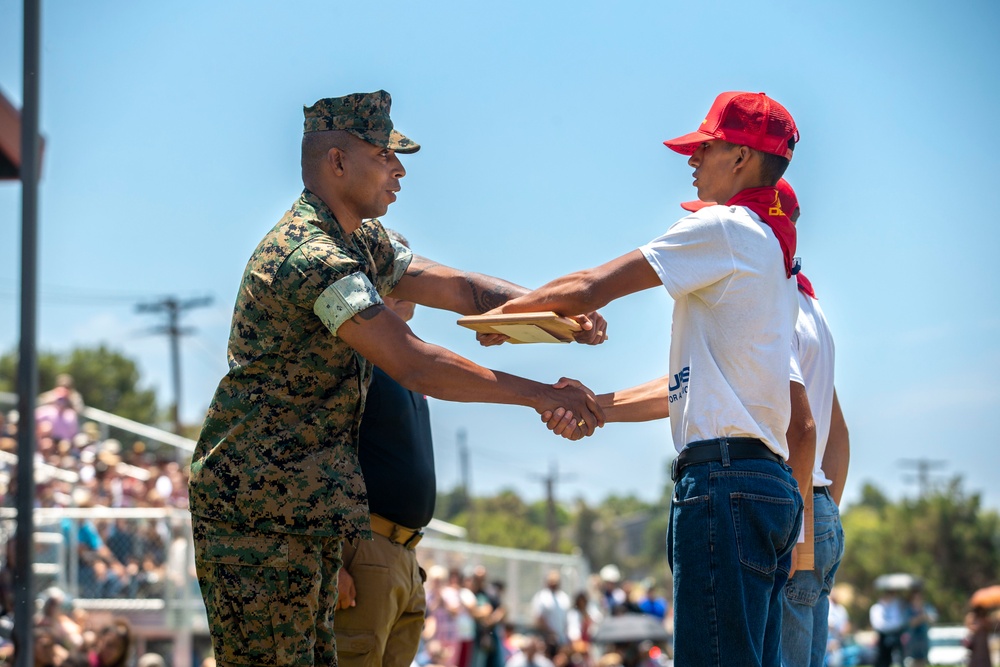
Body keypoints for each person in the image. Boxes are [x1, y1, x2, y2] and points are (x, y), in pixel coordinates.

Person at [187, 90, 607, 666]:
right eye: (384, 154)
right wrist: (540, 395)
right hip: (258, 517)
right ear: (337, 162)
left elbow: (454, 286)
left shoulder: (357, 242)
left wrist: (549, 310)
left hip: (303, 516)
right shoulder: (310, 254)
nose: (399, 168)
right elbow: (412, 361)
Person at [498, 91, 803, 666]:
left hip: (724, 481)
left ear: (740, 156)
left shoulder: (727, 228)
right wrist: (599, 406)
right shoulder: (768, 252)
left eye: (705, 147)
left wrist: (505, 317)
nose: (692, 160)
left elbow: (593, 284)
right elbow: (687, 387)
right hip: (764, 482)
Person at [684, 179, 848, 667]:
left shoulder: (776, 305)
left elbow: (805, 429)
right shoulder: (810, 306)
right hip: (814, 502)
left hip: (792, 505)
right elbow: (835, 432)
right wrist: (821, 515)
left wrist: (797, 540)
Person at [333, 229, 435, 667]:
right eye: (401, 265)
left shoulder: (401, 356)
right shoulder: (354, 352)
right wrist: (333, 560)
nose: (413, 275)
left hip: (403, 556)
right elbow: (324, 452)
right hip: (364, 553)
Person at [531, 570, 571, 660]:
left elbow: (566, 620)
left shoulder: (564, 598)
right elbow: (538, 619)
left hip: (560, 640)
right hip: (546, 639)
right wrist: (550, 633)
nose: (554, 584)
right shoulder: (542, 597)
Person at [869, 590, 906, 667]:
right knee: (883, 660)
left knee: (899, 658)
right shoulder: (877, 608)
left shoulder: (896, 607)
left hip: (896, 634)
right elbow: (878, 624)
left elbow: (899, 621)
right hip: (883, 636)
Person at [903, 589, 936, 667]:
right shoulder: (908, 610)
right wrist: (921, 617)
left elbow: (933, 619)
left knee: (922, 661)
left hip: (923, 640)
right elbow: (910, 623)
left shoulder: (926, 607)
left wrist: (923, 615)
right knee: (912, 662)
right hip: (912, 641)